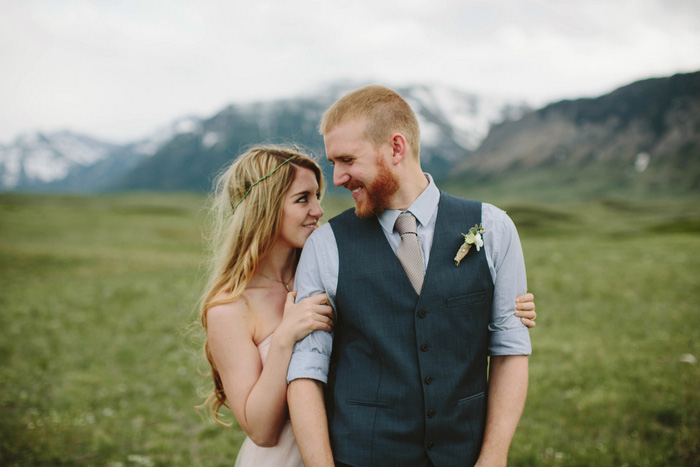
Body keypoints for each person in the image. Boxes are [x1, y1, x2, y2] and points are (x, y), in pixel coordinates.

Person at [198, 145, 536, 466]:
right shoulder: (230, 309)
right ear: (263, 208)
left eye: (317, 196)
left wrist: (495, 307)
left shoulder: (330, 264)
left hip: (354, 446)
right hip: (291, 457)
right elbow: (261, 430)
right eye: (302, 199)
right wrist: (285, 338)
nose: (317, 210)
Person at [287, 85, 533, 466]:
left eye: (348, 159)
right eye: (334, 162)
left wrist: (494, 456)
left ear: (396, 148)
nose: (337, 178)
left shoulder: (495, 228)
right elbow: (306, 371)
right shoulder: (326, 246)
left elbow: (510, 349)